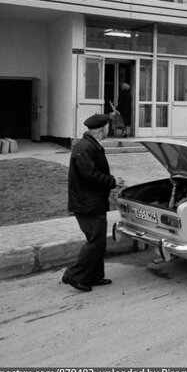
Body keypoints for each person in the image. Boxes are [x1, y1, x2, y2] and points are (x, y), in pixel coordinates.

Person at [61, 114, 125, 293]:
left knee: (98, 241)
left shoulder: (90, 145)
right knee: (95, 241)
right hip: (86, 203)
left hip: (92, 202)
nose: (109, 131)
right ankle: (74, 275)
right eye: (107, 128)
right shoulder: (85, 147)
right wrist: (112, 182)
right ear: (102, 129)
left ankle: (94, 276)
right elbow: (90, 176)